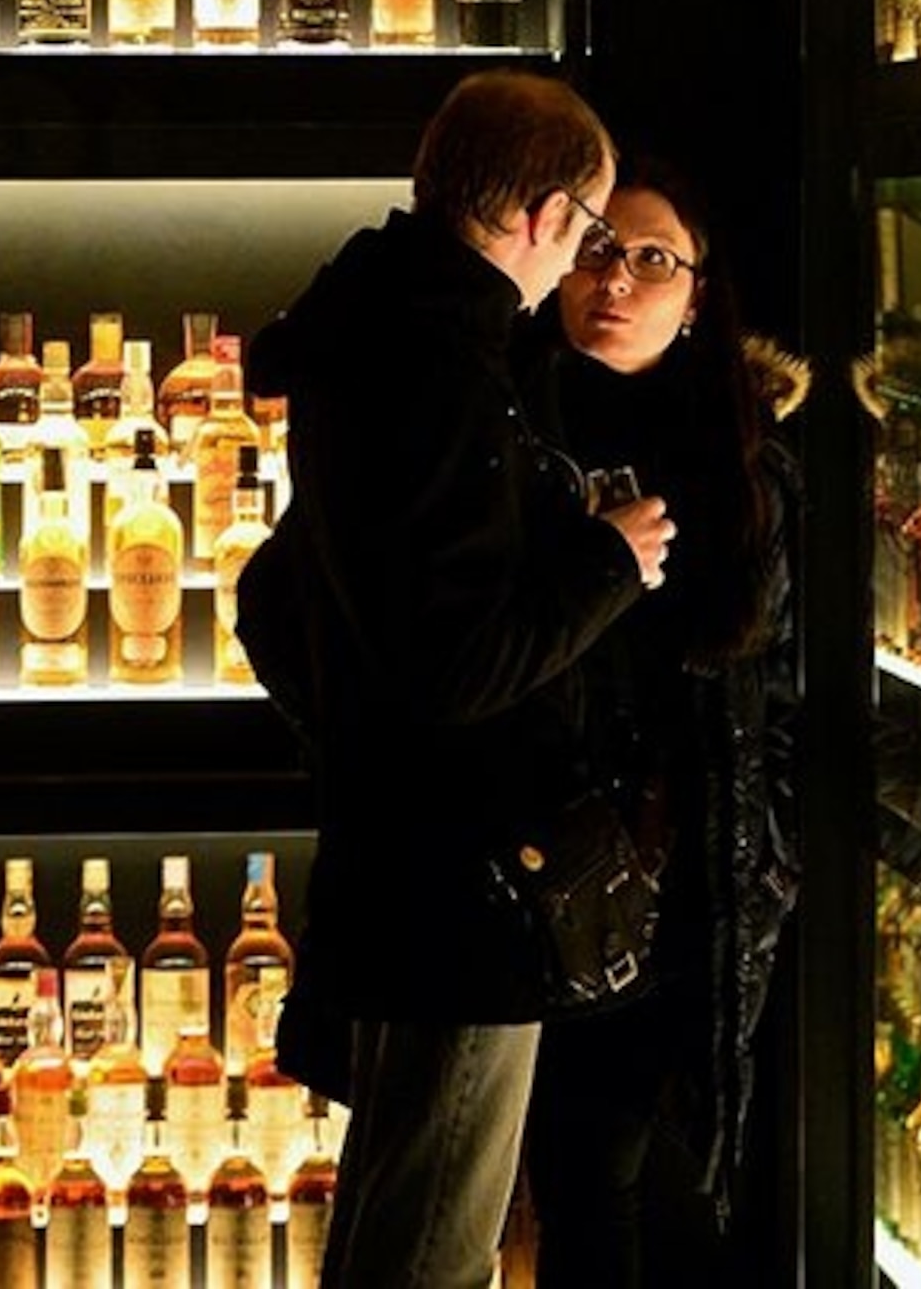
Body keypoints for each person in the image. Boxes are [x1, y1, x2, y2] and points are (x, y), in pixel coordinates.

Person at [232, 70, 678, 1289]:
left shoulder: (377, 329)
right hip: (463, 883)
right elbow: (458, 662)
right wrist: (608, 561)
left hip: (401, 857)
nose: (584, 264)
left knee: (405, 1204)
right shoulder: (438, 361)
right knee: (433, 1238)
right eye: (588, 232)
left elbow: (273, 600)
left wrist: (351, 728)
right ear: (539, 214)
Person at [514, 155, 804, 1284]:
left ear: (696, 293)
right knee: (546, 1176)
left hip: (689, 885)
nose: (616, 279)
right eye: (594, 250)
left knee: (619, 1178)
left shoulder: (751, 467)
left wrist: (769, 864)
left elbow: (784, 691)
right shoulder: (507, 433)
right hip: (530, 863)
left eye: (651, 259)